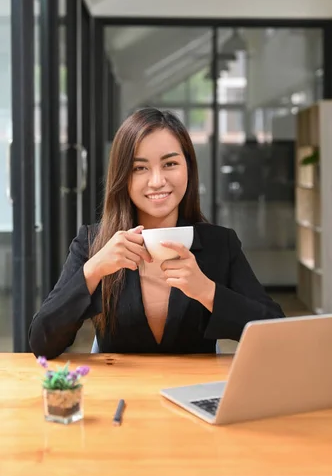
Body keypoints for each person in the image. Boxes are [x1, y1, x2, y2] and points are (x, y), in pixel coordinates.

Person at [29, 108, 284, 359]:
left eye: (170, 163)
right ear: (123, 176)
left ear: (188, 168)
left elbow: (276, 334)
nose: (157, 181)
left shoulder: (219, 244)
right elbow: (42, 343)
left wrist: (207, 291)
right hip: (119, 396)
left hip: (191, 395)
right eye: (140, 168)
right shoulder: (92, 242)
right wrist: (93, 270)